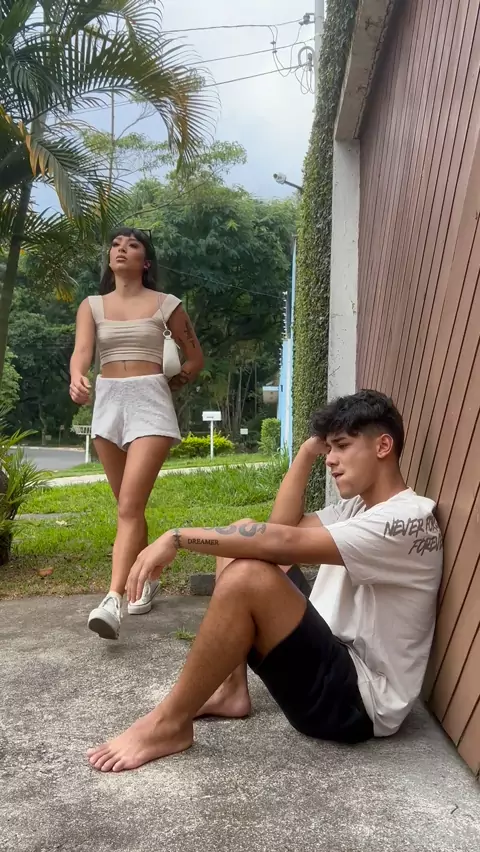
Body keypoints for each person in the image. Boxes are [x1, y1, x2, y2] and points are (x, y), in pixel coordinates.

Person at [86, 390, 443, 773]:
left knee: (248, 576)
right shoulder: (360, 507)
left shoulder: (404, 521)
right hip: (334, 653)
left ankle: (169, 724)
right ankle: (231, 690)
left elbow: (282, 541)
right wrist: (306, 453)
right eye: (328, 448)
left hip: (355, 702)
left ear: (383, 446)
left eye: (341, 446)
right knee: (239, 535)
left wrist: (178, 537)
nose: (331, 459)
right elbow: (281, 526)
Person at [70, 227, 204, 640]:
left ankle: (113, 599)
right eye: (115, 245)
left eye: (132, 245)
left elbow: (195, 357)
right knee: (129, 505)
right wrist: (76, 377)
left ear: (145, 262)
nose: (121, 249)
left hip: (150, 403)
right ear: (109, 259)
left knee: (129, 506)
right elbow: (82, 353)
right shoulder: (92, 306)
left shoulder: (167, 304)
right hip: (108, 402)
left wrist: (177, 380)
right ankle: (146, 578)